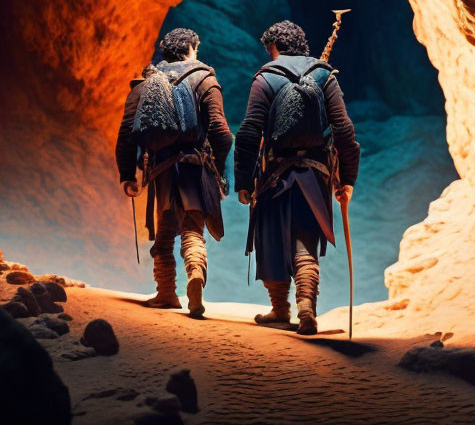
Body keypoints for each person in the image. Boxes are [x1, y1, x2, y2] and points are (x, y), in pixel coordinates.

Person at [235, 20, 359, 335]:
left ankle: (280, 309)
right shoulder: (324, 75)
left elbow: (250, 131)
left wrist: (243, 182)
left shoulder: (266, 77)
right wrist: (347, 179)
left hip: (273, 175)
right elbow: (344, 131)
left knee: (272, 241)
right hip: (315, 177)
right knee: (306, 242)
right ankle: (306, 307)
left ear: (274, 48)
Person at [115, 28, 232, 317]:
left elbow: (126, 134)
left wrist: (128, 175)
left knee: (164, 233)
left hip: (159, 170)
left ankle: (166, 292)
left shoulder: (146, 83)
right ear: (192, 48)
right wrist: (219, 168)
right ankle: (195, 274)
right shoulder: (205, 79)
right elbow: (222, 132)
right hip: (195, 167)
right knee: (193, 228)